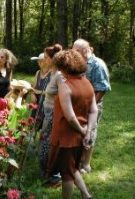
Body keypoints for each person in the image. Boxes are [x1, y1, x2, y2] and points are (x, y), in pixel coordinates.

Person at [47, 49, 98, 199]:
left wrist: (84, 132)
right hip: (79, 135)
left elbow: (70, 117)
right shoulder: (87, 83)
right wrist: (87, 132)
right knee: (72, 167)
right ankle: (86, 196)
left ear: (64, 67)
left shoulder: (65, 86)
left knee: (66, 174)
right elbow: (94, 110)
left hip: (66, 137)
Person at [72, 38, 111, 173]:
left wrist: (91, 106)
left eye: (76, 50)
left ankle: (86, 164)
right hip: (80, 105)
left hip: (93, 106)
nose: (73, 53)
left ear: (84, 50)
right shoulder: (80, 62)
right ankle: (79, 160)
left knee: (90, 131)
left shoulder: (97, 64)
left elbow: (103, 88)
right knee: (80, 131)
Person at [37, 44, 64, 184]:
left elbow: (65, 95)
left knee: (49, 143)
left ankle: (54, 175)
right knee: (44, 141)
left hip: (54, 113)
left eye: (46, 58)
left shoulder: (59, 75)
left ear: (53, 59)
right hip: (48, 112)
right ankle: (48, 172)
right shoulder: (52, 73)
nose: (43, 60)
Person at [30, 53, 51, 130]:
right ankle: (31, 139)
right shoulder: (38, 72)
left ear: (46, 61)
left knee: (44, 126)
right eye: (38, 61)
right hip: (37, 101)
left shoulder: (52, 73)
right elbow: (33, 87)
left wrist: (39, 92)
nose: (39, 63)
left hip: (47, 102)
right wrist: (32, 94)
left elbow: (53, 91)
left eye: (41, 61)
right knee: (33, 123)